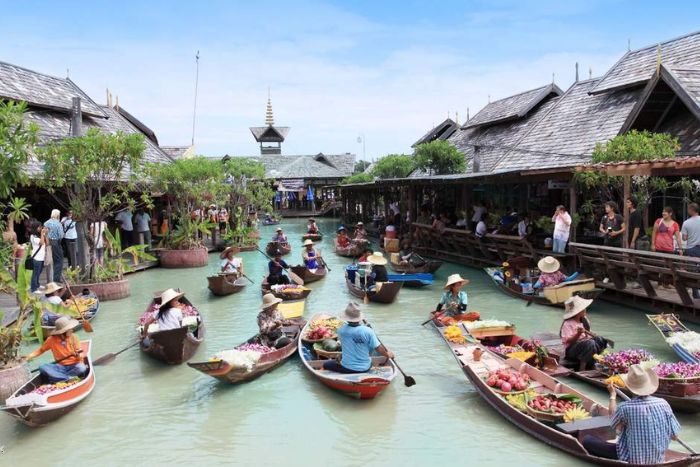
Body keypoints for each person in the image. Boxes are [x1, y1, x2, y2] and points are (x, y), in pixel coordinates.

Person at [583, 364, 681, 463]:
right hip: (658, 459)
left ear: (629, 387)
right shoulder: (664, 403)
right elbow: (674, 436)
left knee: (587, 440)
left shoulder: (625, 407)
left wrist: (613, 395)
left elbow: (614, 422)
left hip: (631, 459)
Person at [322, 303, 394, 374]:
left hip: (346, 368)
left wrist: (341, 356)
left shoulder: (341, 330)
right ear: (359, 318)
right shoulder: (368, 331)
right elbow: (378, 348)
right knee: (370, 346)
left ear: (347, 318)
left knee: (325, 365)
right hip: (366, 368)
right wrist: (387, 355)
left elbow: (346, 346)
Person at [25, 316, 86, 383]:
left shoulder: (74, 337)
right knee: (42, 367)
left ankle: (59, 377)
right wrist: (28, 356)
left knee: (82, 368)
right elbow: (40, 350)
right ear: (63, 332)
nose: (72, 330)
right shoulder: (51, 340)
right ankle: (66, 378)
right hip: (60, 367)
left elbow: (80, 354)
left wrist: (78, 355)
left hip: (74, 365)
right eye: (69, 329)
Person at [559, 296, 610, 370]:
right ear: (578, 312)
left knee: (600, 340)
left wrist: (590, 333)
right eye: (583, 309)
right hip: (572, 351)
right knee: (590, 343)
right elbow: (568, 341)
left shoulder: (585, 321)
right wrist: (578, 334)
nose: (585, 310)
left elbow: (589, 334)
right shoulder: (568, 323)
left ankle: (593, 361)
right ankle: (582, 367)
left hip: (586, 347)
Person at [682, 203, 700, 299]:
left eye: (688, 209)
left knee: (693, 272)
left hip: (691, 248)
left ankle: (696, 295)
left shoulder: (686, 223)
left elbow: (684, 238)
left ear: (692, 210)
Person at [44, 209, 64, 282]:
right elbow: (61, 235)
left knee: (51, 260)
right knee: (59, 261)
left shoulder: (46, 223)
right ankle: (56, 279)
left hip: (48, 242)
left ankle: (50, 279)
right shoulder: (58, 224)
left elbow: (44, 232)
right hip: (56, 242)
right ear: (57, 215)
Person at [29, 221, 48, 292]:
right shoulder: (33, 236)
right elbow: (41, 243)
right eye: (39, 227)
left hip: (41, 257)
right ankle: (33, 289)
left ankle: (37, 284)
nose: (40, 228)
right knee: (35, 273)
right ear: (35, 228)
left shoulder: (40, 235)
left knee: (39, 272)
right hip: (36, 258)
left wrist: (45, 234)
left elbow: (47, 243)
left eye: (41, 226)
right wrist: (42, 233)